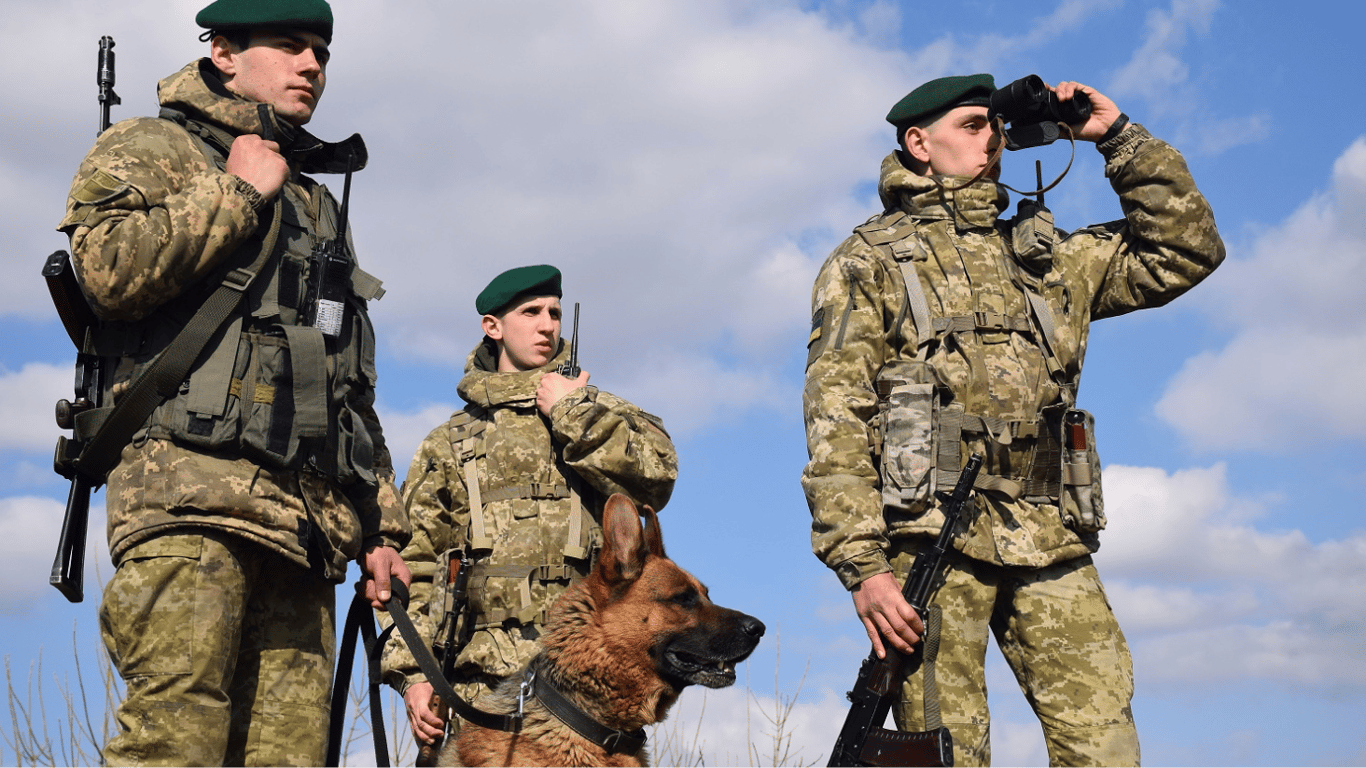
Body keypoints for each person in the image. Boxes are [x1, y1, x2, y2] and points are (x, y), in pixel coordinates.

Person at [802, 73, 1225, 766]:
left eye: (995, 125)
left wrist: (1117, 140)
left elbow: (1186, 250)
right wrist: (864, 566)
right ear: (919, 143)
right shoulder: (867, 261)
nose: (991, 139)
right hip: (931, 535)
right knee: (949, 751)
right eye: (972, 125)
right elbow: (836, 418)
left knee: (1105, 745)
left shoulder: (1049, 259)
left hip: (1047, 533)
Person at [55, 0, 411, 764]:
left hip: (305, 528)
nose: (311, 64)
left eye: (320, 51)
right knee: (173, 746)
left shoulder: (317, 205)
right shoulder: (153, 145)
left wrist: (382, 526)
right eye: (290, 45)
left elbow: (346, 382)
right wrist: (238, 194)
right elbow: (106, 273)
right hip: (189, 499)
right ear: (222, 51)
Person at [379, 264, 679, 751]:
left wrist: (571, 411)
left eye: (555, 313)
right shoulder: (448, 444)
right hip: (475, 695)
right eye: (531, 312)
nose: (547, 325)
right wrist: (412, 676)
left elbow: (657, 480)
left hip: (586, 696)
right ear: (493, 327)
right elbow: (409, 568)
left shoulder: (596, 412)